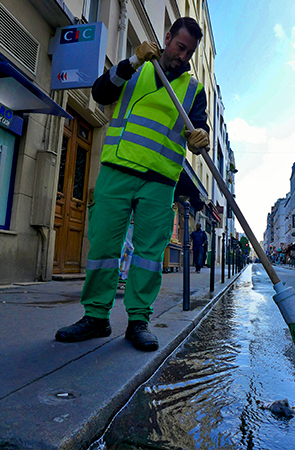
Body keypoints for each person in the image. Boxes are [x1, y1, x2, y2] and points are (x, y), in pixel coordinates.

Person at [55, 17, 210, 351]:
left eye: (190, 52)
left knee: (149, 255)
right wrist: (131, 60)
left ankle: (138, 321)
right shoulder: (136, 69)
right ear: (167, 38)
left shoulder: (194, 90)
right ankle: (95, 317)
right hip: (117, 169)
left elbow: (199, 129)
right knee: (103, 248)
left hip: (159, 179)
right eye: (180, 47)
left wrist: (202, 137)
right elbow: (100, 92)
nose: (182, 56)